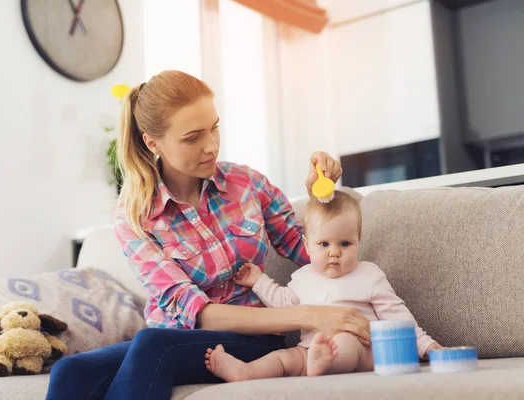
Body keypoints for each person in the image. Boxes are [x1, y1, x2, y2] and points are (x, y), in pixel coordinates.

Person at [45, 70, 371, 400]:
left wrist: (321, 198)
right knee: (70, 371)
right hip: (174, 337)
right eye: (192, 138)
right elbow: (196, 313)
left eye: (214, 128)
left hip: (250, 339)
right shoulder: (135, 217)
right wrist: (308, 315)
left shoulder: (248, 185)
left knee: (153, 344)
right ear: (152, 142)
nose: (211, 146)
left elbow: (311, 254)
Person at [204, 191, 442, 381]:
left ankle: (326, 364)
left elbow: (398, 316)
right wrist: (258, 281)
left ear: (359, 242)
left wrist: (427, 346)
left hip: (362, 349)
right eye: (324, 244)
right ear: (307, 246)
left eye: (345, 243)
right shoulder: (302, 277)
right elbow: (283, 304)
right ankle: (246, 372)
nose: (334, 252)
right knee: (283, 358)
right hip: (309, 349)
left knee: (345, 343)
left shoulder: (369, 275)